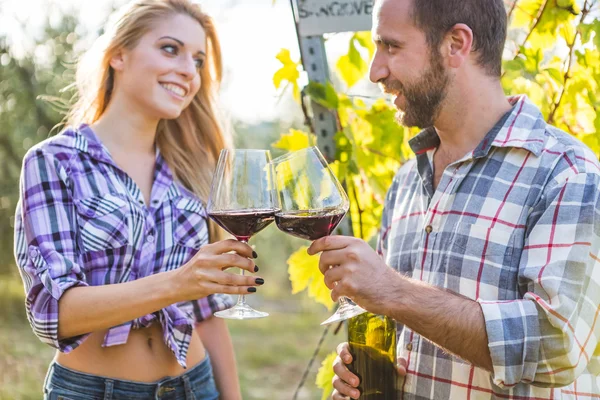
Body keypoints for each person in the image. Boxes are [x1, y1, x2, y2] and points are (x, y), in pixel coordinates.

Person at [310, 0, 600, 398]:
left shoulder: (565, 172)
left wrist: (394, 290)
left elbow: (557, 348)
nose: (375, 71)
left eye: (391, 47)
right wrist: (370, 375)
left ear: (456, 44)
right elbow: (404, 325)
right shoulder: (407, 180)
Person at [13, 1, 264, 399]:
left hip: (194, 385)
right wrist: (178, 283)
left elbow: (206, 315)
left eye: (198, 60)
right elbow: (56, 315)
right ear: (118, 55)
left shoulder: (191, 170)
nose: (188, 70)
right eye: (170, 48)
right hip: (92, 391)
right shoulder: (54, 162)